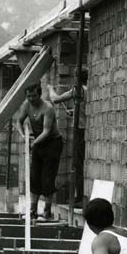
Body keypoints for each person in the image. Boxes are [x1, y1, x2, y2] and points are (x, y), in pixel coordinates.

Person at [14, 81, 63, 221]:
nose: (31, 99)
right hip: (37, 143)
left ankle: (47, 212)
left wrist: (33, 143)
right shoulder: (26, 106)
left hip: (52, 143)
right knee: (34, 177)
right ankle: (32, 211)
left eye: (34, 96)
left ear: (39, 94)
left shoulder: (48, 108)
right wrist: (24, 136)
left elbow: (47, 131)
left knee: (47, 179)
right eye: (28, 96)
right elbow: (19, 122)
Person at [49, 68, 87, 206]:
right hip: (86, 129)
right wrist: (74, 112)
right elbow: (84, 110)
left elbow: (55, 99)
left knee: (78, 164)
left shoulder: (78, 90)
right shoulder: (88, 91)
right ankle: (80, 196)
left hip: (80, 130)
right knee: (81, 162)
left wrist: (50, 88)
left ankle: (79, 198)